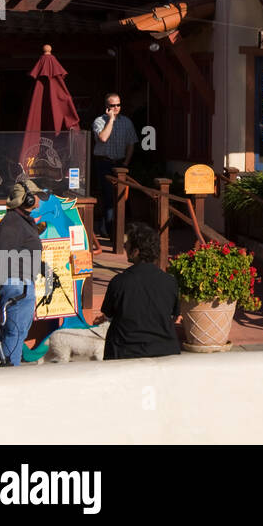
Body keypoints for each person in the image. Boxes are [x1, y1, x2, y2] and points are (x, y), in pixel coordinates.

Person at [94, 221, 182, 360]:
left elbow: (108, 314)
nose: (124, 246)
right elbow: (175, 315)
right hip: (165, 351)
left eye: (127, 244)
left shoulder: (119, 282)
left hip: (124, 352)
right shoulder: (170, 282)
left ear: (136, 252)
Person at [0, 180, 47, 366]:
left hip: (21, 284)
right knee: (16, 332)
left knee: (15, 332)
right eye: (35, 195)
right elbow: (1, 255)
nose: (38, 199)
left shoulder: (19, 221)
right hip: (17, 286)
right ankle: (9, 375)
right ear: (26, 199)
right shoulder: (12, 224)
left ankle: (3, 366)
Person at [91, 92, 136, 238]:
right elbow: (103, 138)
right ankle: (111, 232)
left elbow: (131, 143)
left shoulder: (127, 122)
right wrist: (110, 119)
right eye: (112, 105)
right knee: (108, 196)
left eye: (118, 105)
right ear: (107, 107)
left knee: (121, 197)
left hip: (120, 163)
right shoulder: (99, 121)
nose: (116, 108)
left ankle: (108, 227)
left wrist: (126, 163)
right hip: (104, 162)